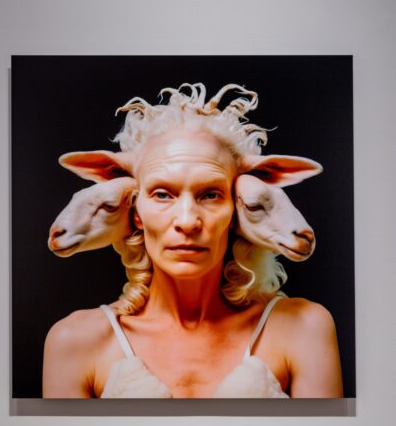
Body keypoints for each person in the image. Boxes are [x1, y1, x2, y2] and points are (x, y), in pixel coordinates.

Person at [42, 83, 343, 398]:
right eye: (162, 194)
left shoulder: (303, 329)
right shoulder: (75, 342)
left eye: (211, 194)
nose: (187, 221)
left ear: (236, 210)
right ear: (136, 212)